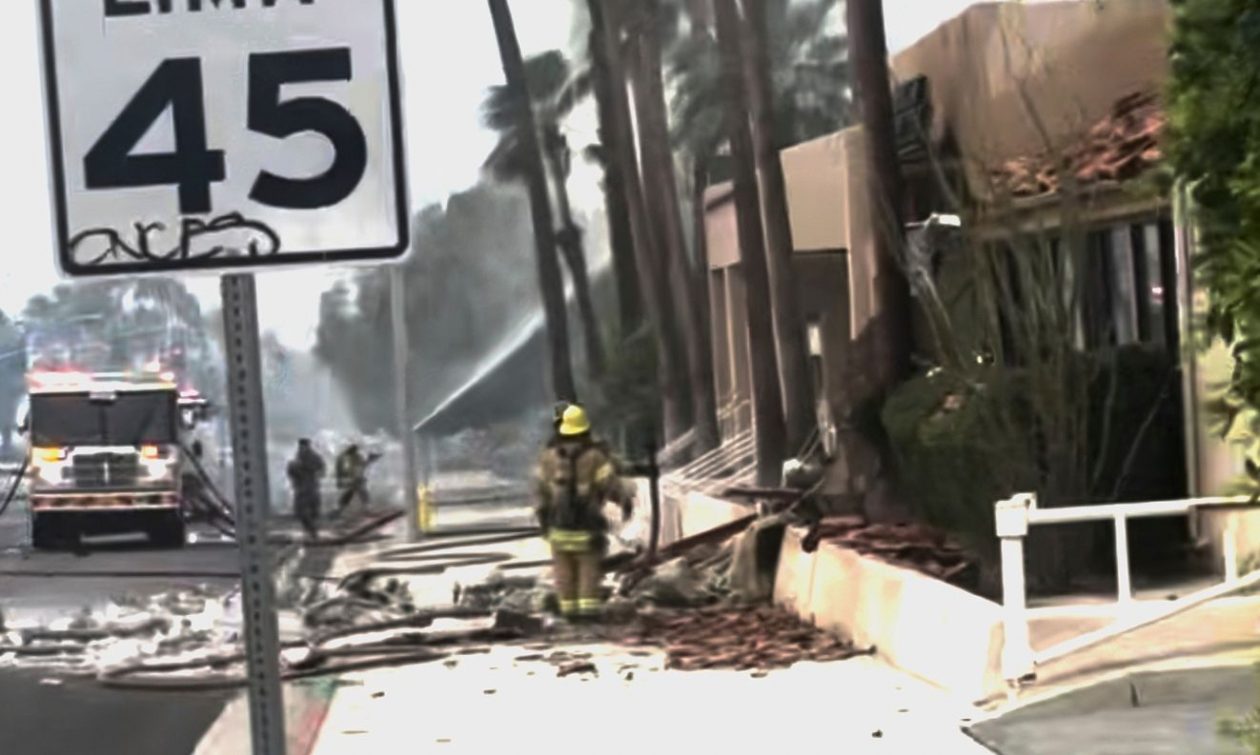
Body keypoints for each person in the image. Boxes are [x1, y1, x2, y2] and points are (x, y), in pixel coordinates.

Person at [533, 404, 635, 621]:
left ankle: (569, 614)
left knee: (564, 573)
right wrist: (625, 502)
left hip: (558, 528)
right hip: (587, 528)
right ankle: (587, 614)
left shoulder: (548, 457)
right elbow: (611, 485)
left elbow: (540, 493)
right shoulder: (595, 457)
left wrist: (543, 521)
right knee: (588, 571)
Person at [287, 438, 326, 540]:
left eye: (304, 447)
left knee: (309, 512)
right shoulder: (299, 459)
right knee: (303, 512)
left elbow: (322, 471)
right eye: (302, 447)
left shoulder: (312, 458)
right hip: (305, 488)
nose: (302, 449)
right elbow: (291, 472)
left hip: (308, 488)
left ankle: (312, 531)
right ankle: (312, 531)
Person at [335, 443, 381, 515]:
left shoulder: (350, 457)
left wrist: (369, 460)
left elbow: (360, 466)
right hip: (356, 479)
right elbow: (359, 466)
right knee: (361, 494)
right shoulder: (354, 457)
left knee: (351, 494)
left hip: (354, 479)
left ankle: (340, 509)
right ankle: (367, 509)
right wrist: (370, 460)